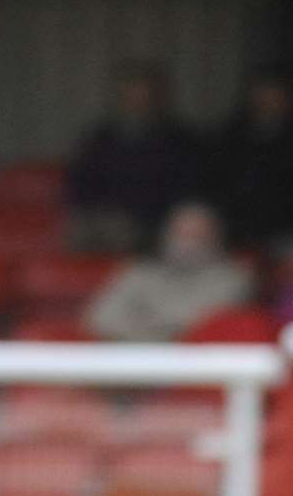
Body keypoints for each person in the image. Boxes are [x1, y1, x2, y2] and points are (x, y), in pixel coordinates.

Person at [65, 62, 199, 252]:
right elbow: (80, 184)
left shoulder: (180, 140)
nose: (138, 101)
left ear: (158, 97)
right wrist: (100, 212)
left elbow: (185, 192)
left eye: (144, 94)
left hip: (156, 223)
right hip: (105, 219)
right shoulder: (99, 138)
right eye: (132, 93)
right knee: (79, 231)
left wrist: (145, 217)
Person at [85, 200, 253, 342]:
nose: (188, 244)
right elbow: (100, 318)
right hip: (131, 363)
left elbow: (199, 324)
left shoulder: (232, 278)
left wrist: (140, 323)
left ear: (215, 238)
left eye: (196, 235)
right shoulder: (139, 273)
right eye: (181, 233)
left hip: (198, 369)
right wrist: (158, 332)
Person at [202, 66, 293, 251]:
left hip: (284, 232)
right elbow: (213, 183)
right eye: (262, 94)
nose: (267, 101)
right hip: (234, 231)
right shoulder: (228, 136)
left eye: (275, 94)